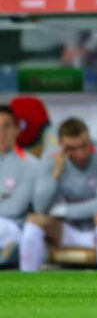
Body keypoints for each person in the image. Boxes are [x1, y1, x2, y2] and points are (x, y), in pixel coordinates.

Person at [20, 118, 97, 272]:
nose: (81, 154)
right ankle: (27, 281)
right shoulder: (51, 157)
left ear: (89, 138)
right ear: (61, 145)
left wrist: (63, 211)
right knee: (34, 220)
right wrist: (55, 176)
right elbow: (40, 207)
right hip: (72, 228)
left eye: (84, 145)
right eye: (72, 149)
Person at [0, 105, 38, 254]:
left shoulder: (31, 164)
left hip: (15, 227)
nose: (1, 133)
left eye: (6, 127)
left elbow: (15, 208)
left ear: (16, 130)